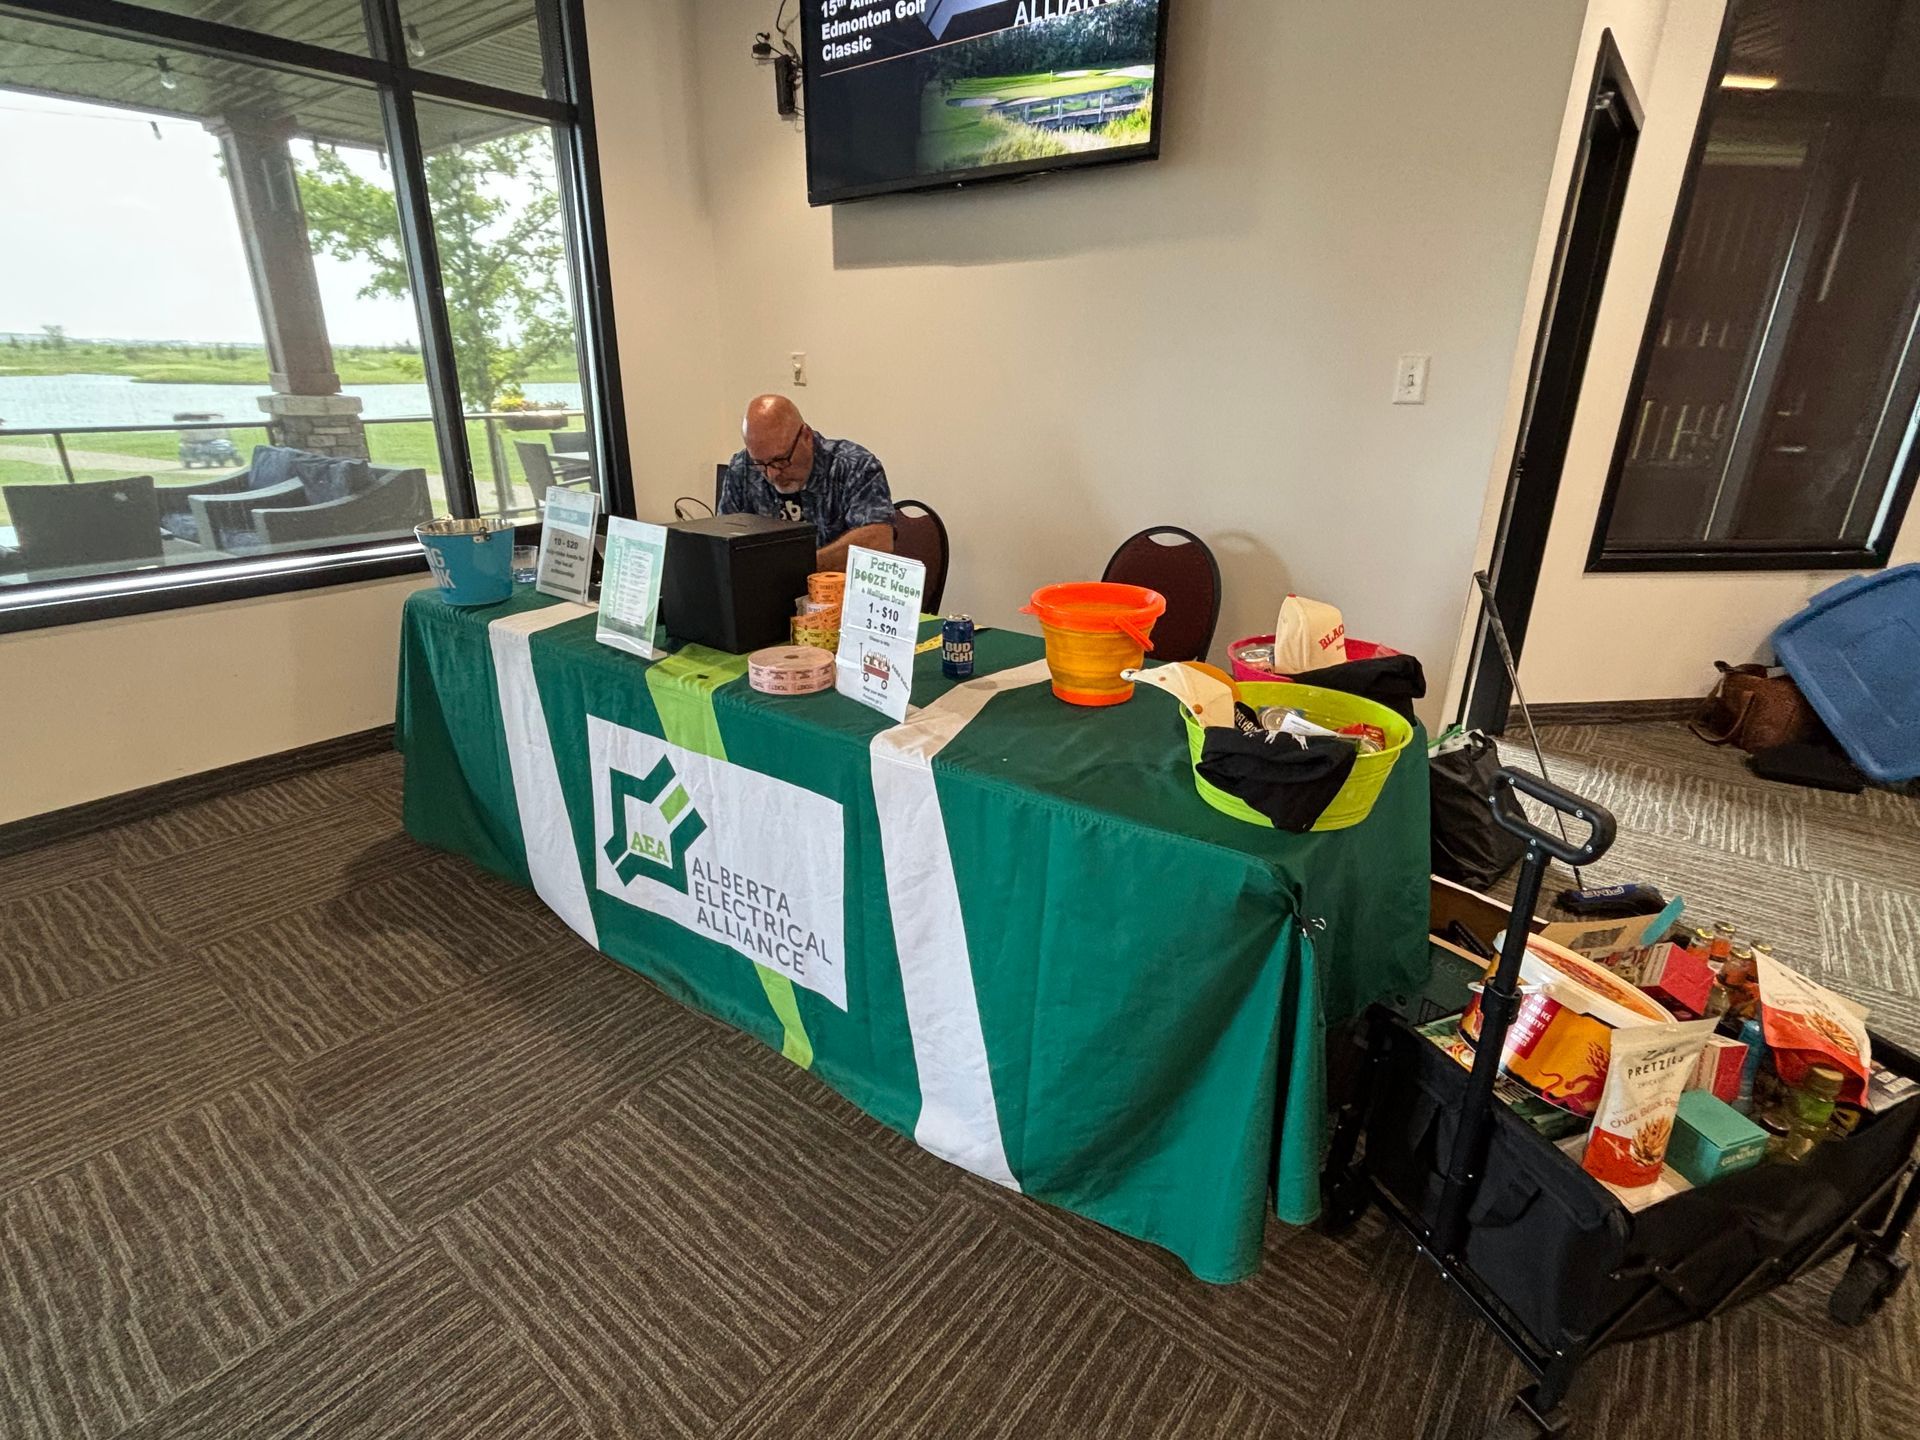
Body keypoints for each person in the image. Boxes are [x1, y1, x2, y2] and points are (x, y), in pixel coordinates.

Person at [718, 395, 895, 572]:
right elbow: (721, 542)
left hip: (832, 587)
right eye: (760, 464)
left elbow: (878, 541)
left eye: (780, 460)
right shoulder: (742, 468)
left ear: (806, 436)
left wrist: (796, 568)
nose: (772, 475)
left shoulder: (854, 466)